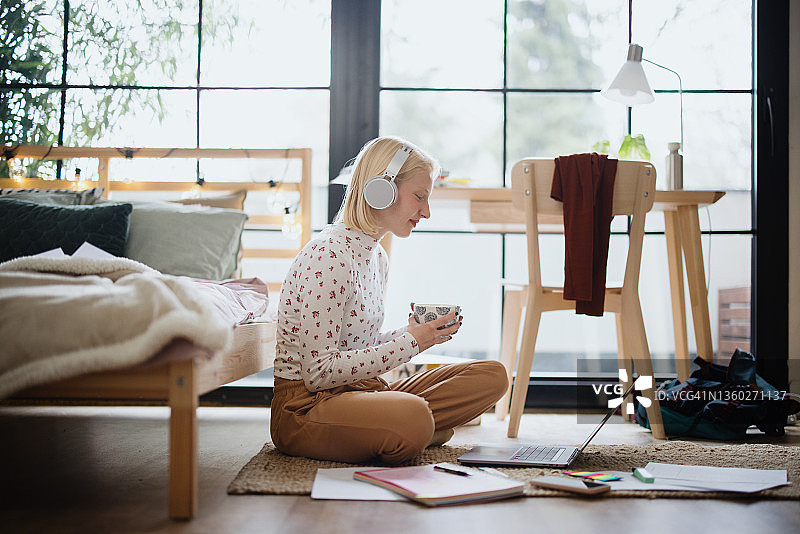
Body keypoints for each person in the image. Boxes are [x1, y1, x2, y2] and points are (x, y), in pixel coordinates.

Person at [270, 136, 508, 464]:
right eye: (420, 197)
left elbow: (358, 346)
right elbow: (318, 373)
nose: (426, 212)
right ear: (381, 190)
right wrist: (410, 343)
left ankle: (404, 427)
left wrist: (414, 336)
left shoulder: (376, 255)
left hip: (364, 391)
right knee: (411, 418)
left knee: (492, 376)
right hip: (308, 407)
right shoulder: (328, 256)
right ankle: (412, 427)